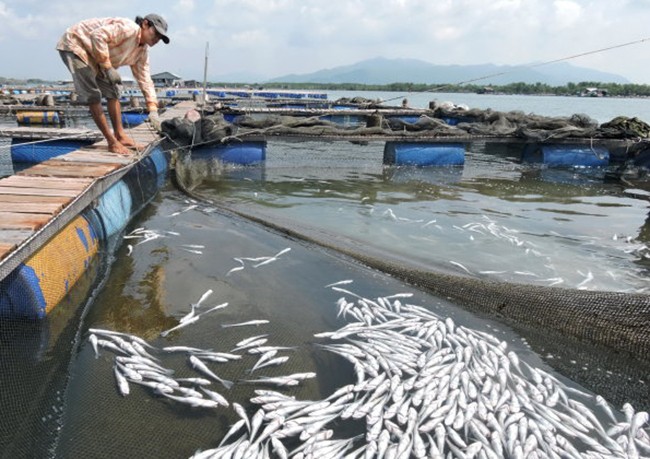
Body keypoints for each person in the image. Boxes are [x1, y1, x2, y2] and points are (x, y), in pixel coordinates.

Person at [56, 14, 169, 154]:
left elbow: (145, 79)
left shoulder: (142, 52)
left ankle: (120, 136)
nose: (157, 39)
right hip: (76, 44)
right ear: (145, 24)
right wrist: (108, 67)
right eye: (156, 33)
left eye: (160, 37)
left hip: (96, 54)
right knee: (93, 95)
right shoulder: (129, 29)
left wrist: (153, 109)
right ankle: (112, 142)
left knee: (113, 91)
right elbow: (97, 35)